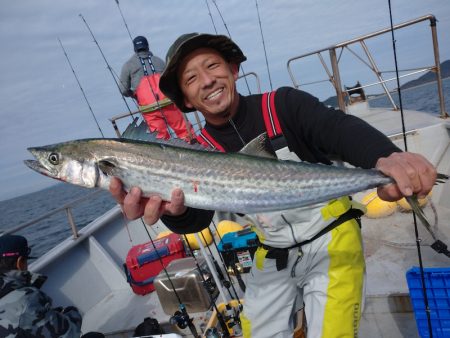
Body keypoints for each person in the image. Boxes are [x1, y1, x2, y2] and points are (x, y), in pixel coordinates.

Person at [110, 33, 438, 338]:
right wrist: (175, 213)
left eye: (212, 66)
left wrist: (385, 157)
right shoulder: (198, 150)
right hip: (272, 250)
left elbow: (336, 127)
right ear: (186, 99)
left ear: (233, 69)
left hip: (331, 238)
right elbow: (197, 216)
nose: (207, 80)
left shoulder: (282, 105)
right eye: (191, 78)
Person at [0, 234, 82, 337]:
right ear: (19, 263)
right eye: (26, 261)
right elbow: (70, 334)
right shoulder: (26, 298)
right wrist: (72, 313)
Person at [119, 35, 195, 141]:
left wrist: (134, 95)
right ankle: (195, 147)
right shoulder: (159, 61)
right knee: (185, 131)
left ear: (135, 49)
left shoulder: (128, 65)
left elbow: (123, 89)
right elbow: (170, 80)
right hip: (168, 102)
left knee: (161, 139)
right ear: (147, 46)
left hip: (148, 108)